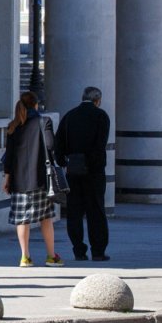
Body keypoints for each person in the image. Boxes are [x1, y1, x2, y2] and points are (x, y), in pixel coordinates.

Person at [2, 92, 63, 267]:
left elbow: (9, 157)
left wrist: (7, 179)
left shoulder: (13, 126)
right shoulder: (44, 122)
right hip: (41, 179)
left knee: (23, 219)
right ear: (36, 105)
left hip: (19, 181)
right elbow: (50, 145)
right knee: (46, 218)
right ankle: (51, 256)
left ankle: (25, 257)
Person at [55, 86, 112, 261]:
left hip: (73, 170)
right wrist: (93, 163)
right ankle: (98, 251)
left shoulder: (69, 116)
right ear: (98, 100)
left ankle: (79, 250)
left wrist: (64, 162)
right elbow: (100, 144)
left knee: (74, 212)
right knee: (96, 211)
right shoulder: (101, 116)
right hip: (94, 172)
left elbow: (58, 143)